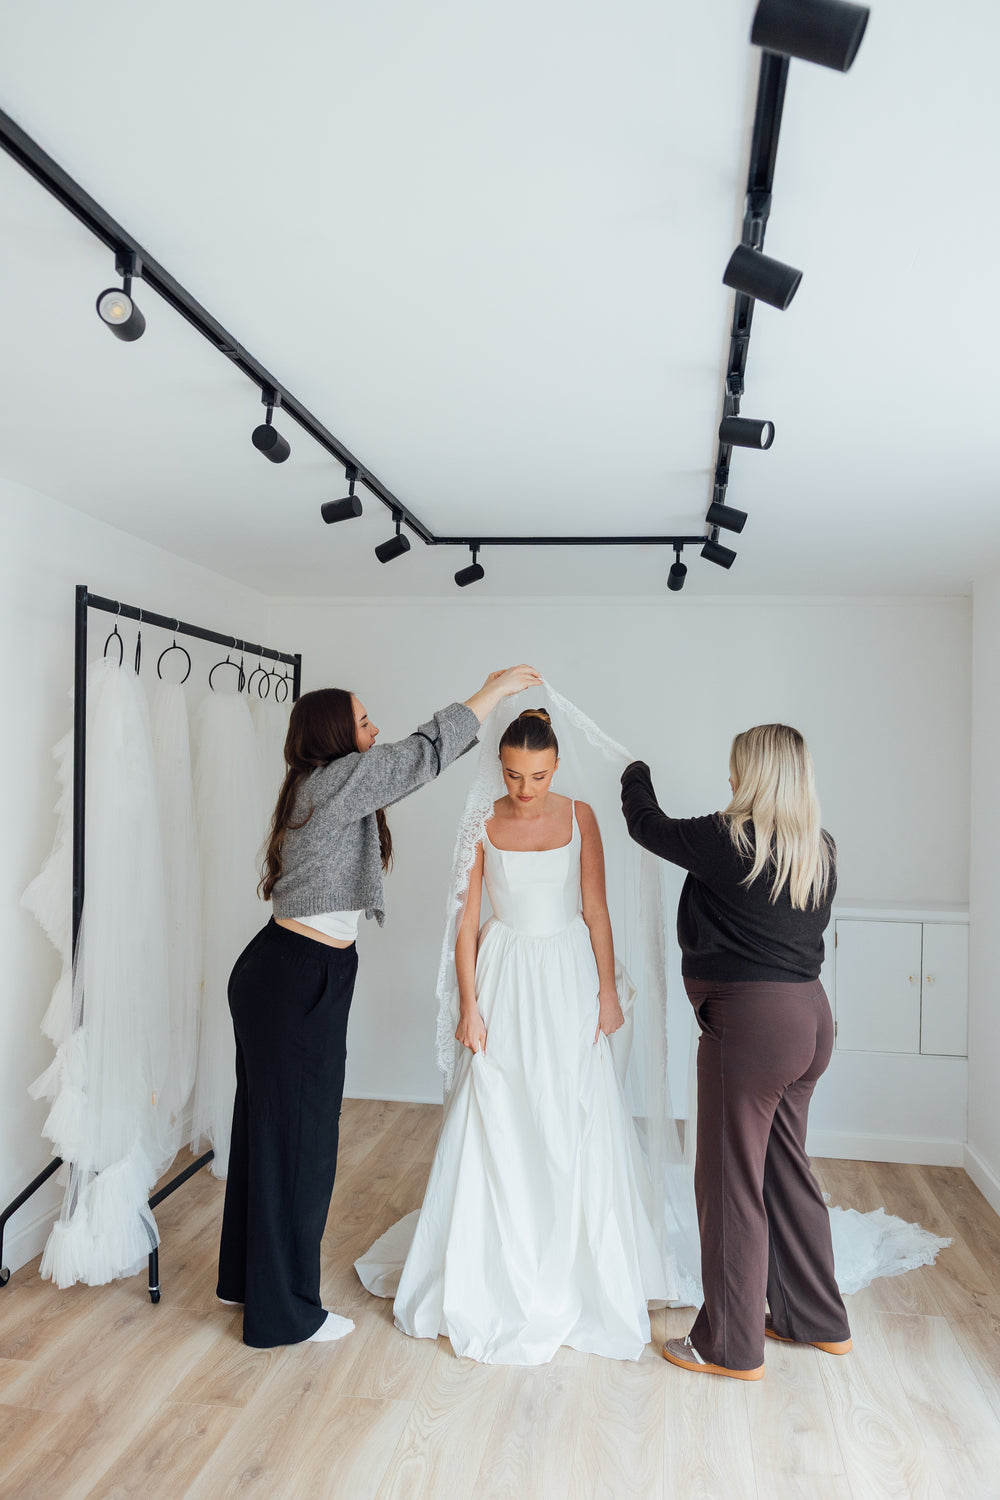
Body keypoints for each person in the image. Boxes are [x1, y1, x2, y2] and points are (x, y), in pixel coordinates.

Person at [216, 664, 542, 1349]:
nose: (375, 730)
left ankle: (252, 1284)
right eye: (364, 721)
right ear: (335, 737)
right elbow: (421, 754)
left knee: (273, 1138)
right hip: (294, 979)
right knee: (300, 1149)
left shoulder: (318, 785)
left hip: (289, 972)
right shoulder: (337, 780)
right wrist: (488, 692)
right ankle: (285, 1316)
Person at [355, 701, 677, 1364]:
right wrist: (470, 1007)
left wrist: (609, 992)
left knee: (571, 1107)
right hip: (503, 975)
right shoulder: (482, 821)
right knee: (496, 1108)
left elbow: (595, 909)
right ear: (498, 768)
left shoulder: (579, 817)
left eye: (536, 776)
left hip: (565, 972)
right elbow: (467, 925)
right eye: (511, 775)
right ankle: (489, 1264)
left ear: (556, 767)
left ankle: (578, 1266)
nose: (523, 789)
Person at [621, 723, 852, 1381]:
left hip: (752, 1028)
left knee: (728, 1183)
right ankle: (818, 1321)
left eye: (735, 769)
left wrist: (633, 771)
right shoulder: (820, 847)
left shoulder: (730, 839)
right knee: (785, 1169)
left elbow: (646, 823)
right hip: (810, 1021)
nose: (728, 780)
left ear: (753, 775)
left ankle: (728, 1345)